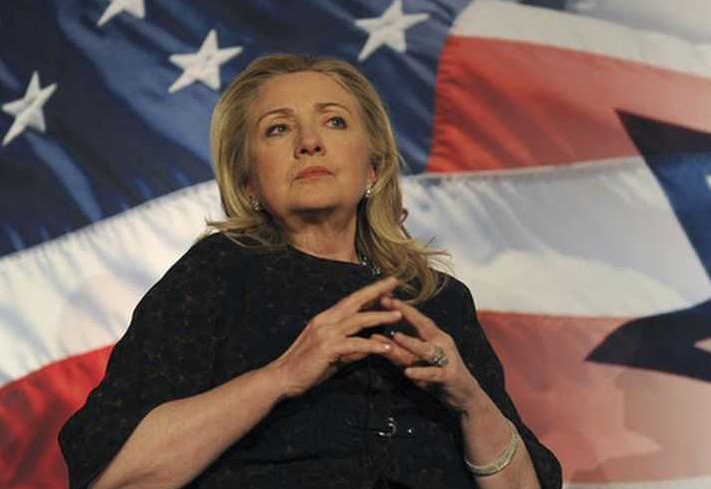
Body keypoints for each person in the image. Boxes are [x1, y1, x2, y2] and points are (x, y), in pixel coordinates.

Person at [59, 53, 562, 489]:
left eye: (335, 122)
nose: (309, 143)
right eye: (278, 129)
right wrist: (283, 375)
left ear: (372, 169)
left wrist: (472, 403)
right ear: (249, 182)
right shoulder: (218, 274)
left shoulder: (438, 299)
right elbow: (114, 474)